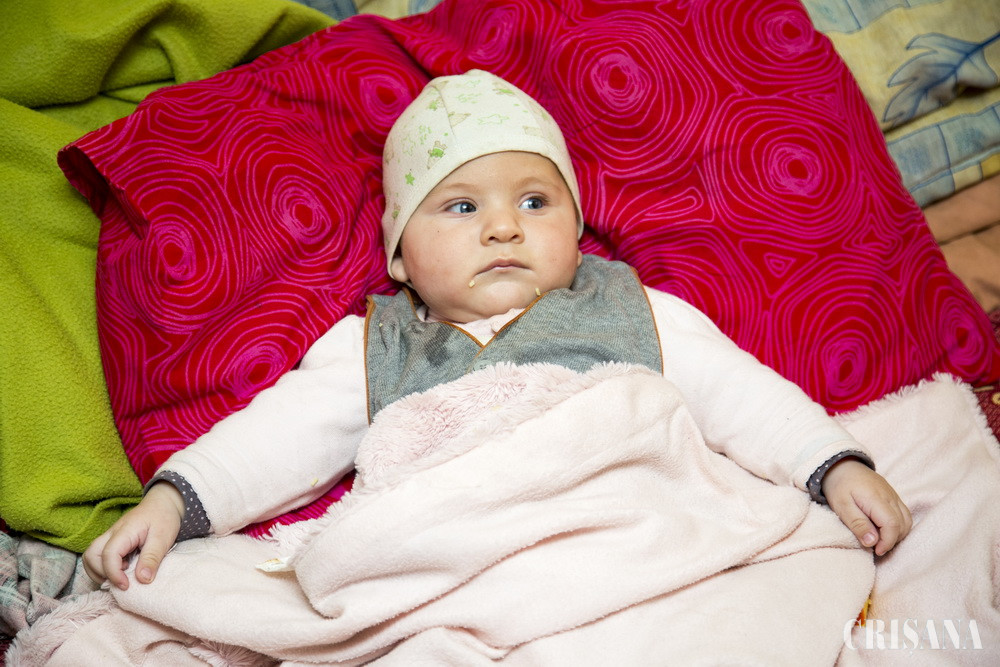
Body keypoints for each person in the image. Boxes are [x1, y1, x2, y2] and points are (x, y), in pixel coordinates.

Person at [84, 69, 911, 592]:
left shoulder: (634, 308)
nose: (504, 227)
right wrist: (176, 498)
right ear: (401, 256)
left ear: (577, 229)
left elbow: (741, 395)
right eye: (460, 206)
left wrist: (831, 464)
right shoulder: (374, 348)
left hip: (637, 547)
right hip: (466, 573)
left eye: (535, 201)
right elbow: (278, 437)